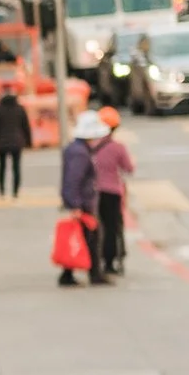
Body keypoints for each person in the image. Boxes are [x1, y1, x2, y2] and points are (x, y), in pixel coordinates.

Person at [58, 110, 104, 287]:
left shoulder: (74, 149)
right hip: (83, 203)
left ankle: (69, 273)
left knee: (78, 237)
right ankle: (94, 273)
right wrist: (76, 204)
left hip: (79, 201)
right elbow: (73, 179)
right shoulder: (80, 153)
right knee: (91, 237)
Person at [92, 107, 135, 280]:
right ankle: (111, 261)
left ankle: (98, 259)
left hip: (95, 193)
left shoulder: (91, 147)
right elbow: (129, 169)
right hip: (113, 192)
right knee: (113, 228)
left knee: (98, 226)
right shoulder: (118, 148)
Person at [0, 89, 31, 200]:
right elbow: (26, 126)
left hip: (2, 143)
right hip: (17, 142)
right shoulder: (20, 109)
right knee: (16, 168)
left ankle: (2, 191)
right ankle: (15, 192)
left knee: (2, 167)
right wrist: (29, 142)